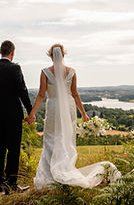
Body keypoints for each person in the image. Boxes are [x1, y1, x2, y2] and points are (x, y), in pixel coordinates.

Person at [26, 44, 121, 189]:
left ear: (50, 56)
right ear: (63, 55)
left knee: (51, 138)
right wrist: (83, 113)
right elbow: (75, 94)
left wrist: (32, 113)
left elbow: (40, 95)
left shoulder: (45, 72)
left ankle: (49, 175)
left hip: (52, 108)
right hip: (69, 107)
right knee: (66, 139)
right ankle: (65, 170)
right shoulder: (72, 72)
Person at [0, 40, 33, 194]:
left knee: (0, 149)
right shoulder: (15, 68)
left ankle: (0, 184)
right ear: (12, 53)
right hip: (14, 115)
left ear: (0, 52)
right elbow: (23, 91)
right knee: (13, 150)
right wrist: (30, 112)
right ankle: (12, 183)